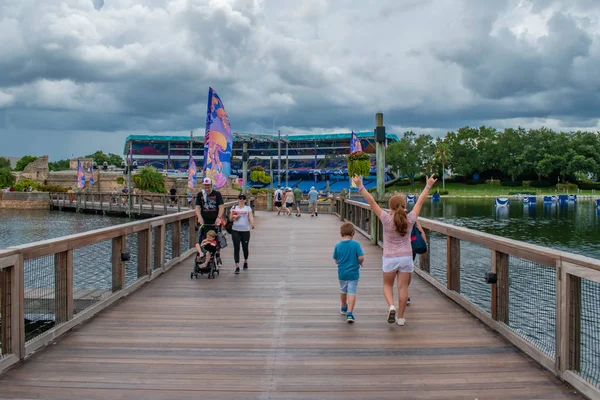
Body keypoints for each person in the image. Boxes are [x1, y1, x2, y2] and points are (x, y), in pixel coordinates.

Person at [352, 173, 436, 326]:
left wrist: (360, 186)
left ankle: (391, 306)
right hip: (406, 257)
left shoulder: (385, 218)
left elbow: (371, 202)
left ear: (390, 207)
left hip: (390, 257)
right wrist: (428, 185)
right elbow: (420, 201)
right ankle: (402, 317)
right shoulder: (411, 218)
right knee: (403, 287)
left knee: (387, 285)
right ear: (405, 206)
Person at [333, 222, 364, 323]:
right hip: (353, 273)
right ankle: (350, 313)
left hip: (342, 273)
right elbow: (361, 257)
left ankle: (343, 307)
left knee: (343, 290)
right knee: (352, 292)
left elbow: (336, 260)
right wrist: (360, 262)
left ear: (341, 233)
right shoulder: (356, 244)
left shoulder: (338, 245)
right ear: (353, 233)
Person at [229, 194, 255, 274]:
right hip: (235, 230)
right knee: (236, 247)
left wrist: (252, 223)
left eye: (243, 198)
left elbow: (250, 216)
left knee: (245, 247)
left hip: (245, 230)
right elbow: (230, 219)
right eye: (240, 198)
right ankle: (237, 266)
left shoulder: (247, 208)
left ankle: (245, 261)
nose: (241, 200)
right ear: (238, 199)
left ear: (245, 200)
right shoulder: (234, 208)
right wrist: (234, 217)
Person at [195, 177, 224, 245]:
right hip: (204, 220)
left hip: (215, 220)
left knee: (216, 237)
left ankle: (217, 252)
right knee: (203, 237)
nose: (207, 189)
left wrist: (218, 217)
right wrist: (199, 217)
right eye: (205, 187)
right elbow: (197, 207)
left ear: (211, 185)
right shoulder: (200, 194)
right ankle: (203, 251)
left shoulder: (217, 194)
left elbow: (221, 207)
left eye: (208, 186)